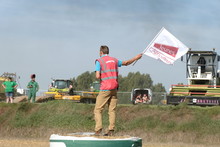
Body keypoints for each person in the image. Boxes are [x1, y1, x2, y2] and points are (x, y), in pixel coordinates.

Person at [94, 45, 142, 136]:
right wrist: (136, 57)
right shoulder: (114, 60)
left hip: (105, 88)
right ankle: (111, 130)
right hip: (114, 89)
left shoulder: (99, 61)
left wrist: (102, 76)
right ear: (108, 52)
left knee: (98, 110)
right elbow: (126, 63)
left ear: (101, 52)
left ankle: (98, 129)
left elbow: (97, 76)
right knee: (112, 110)